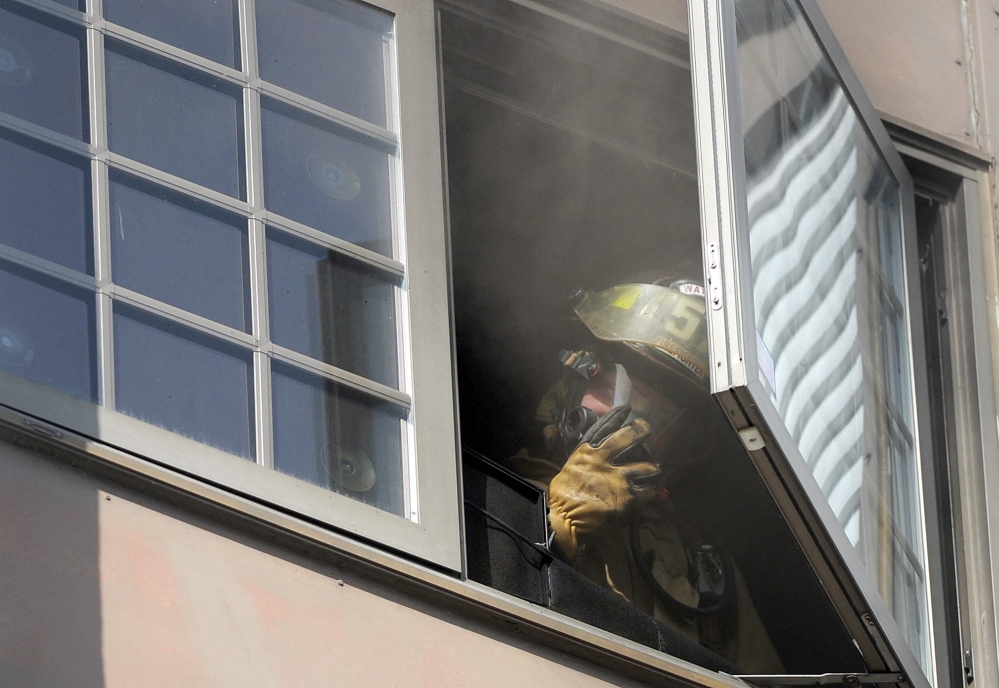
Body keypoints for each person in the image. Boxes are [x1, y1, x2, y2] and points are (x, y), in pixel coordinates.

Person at [507, 277, 784, 673]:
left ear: (684, 446)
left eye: (658, 415)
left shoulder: (701, 563)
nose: (628, 419)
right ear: (569, 385)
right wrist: (558, 521)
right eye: (613, 389)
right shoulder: (492, 490)